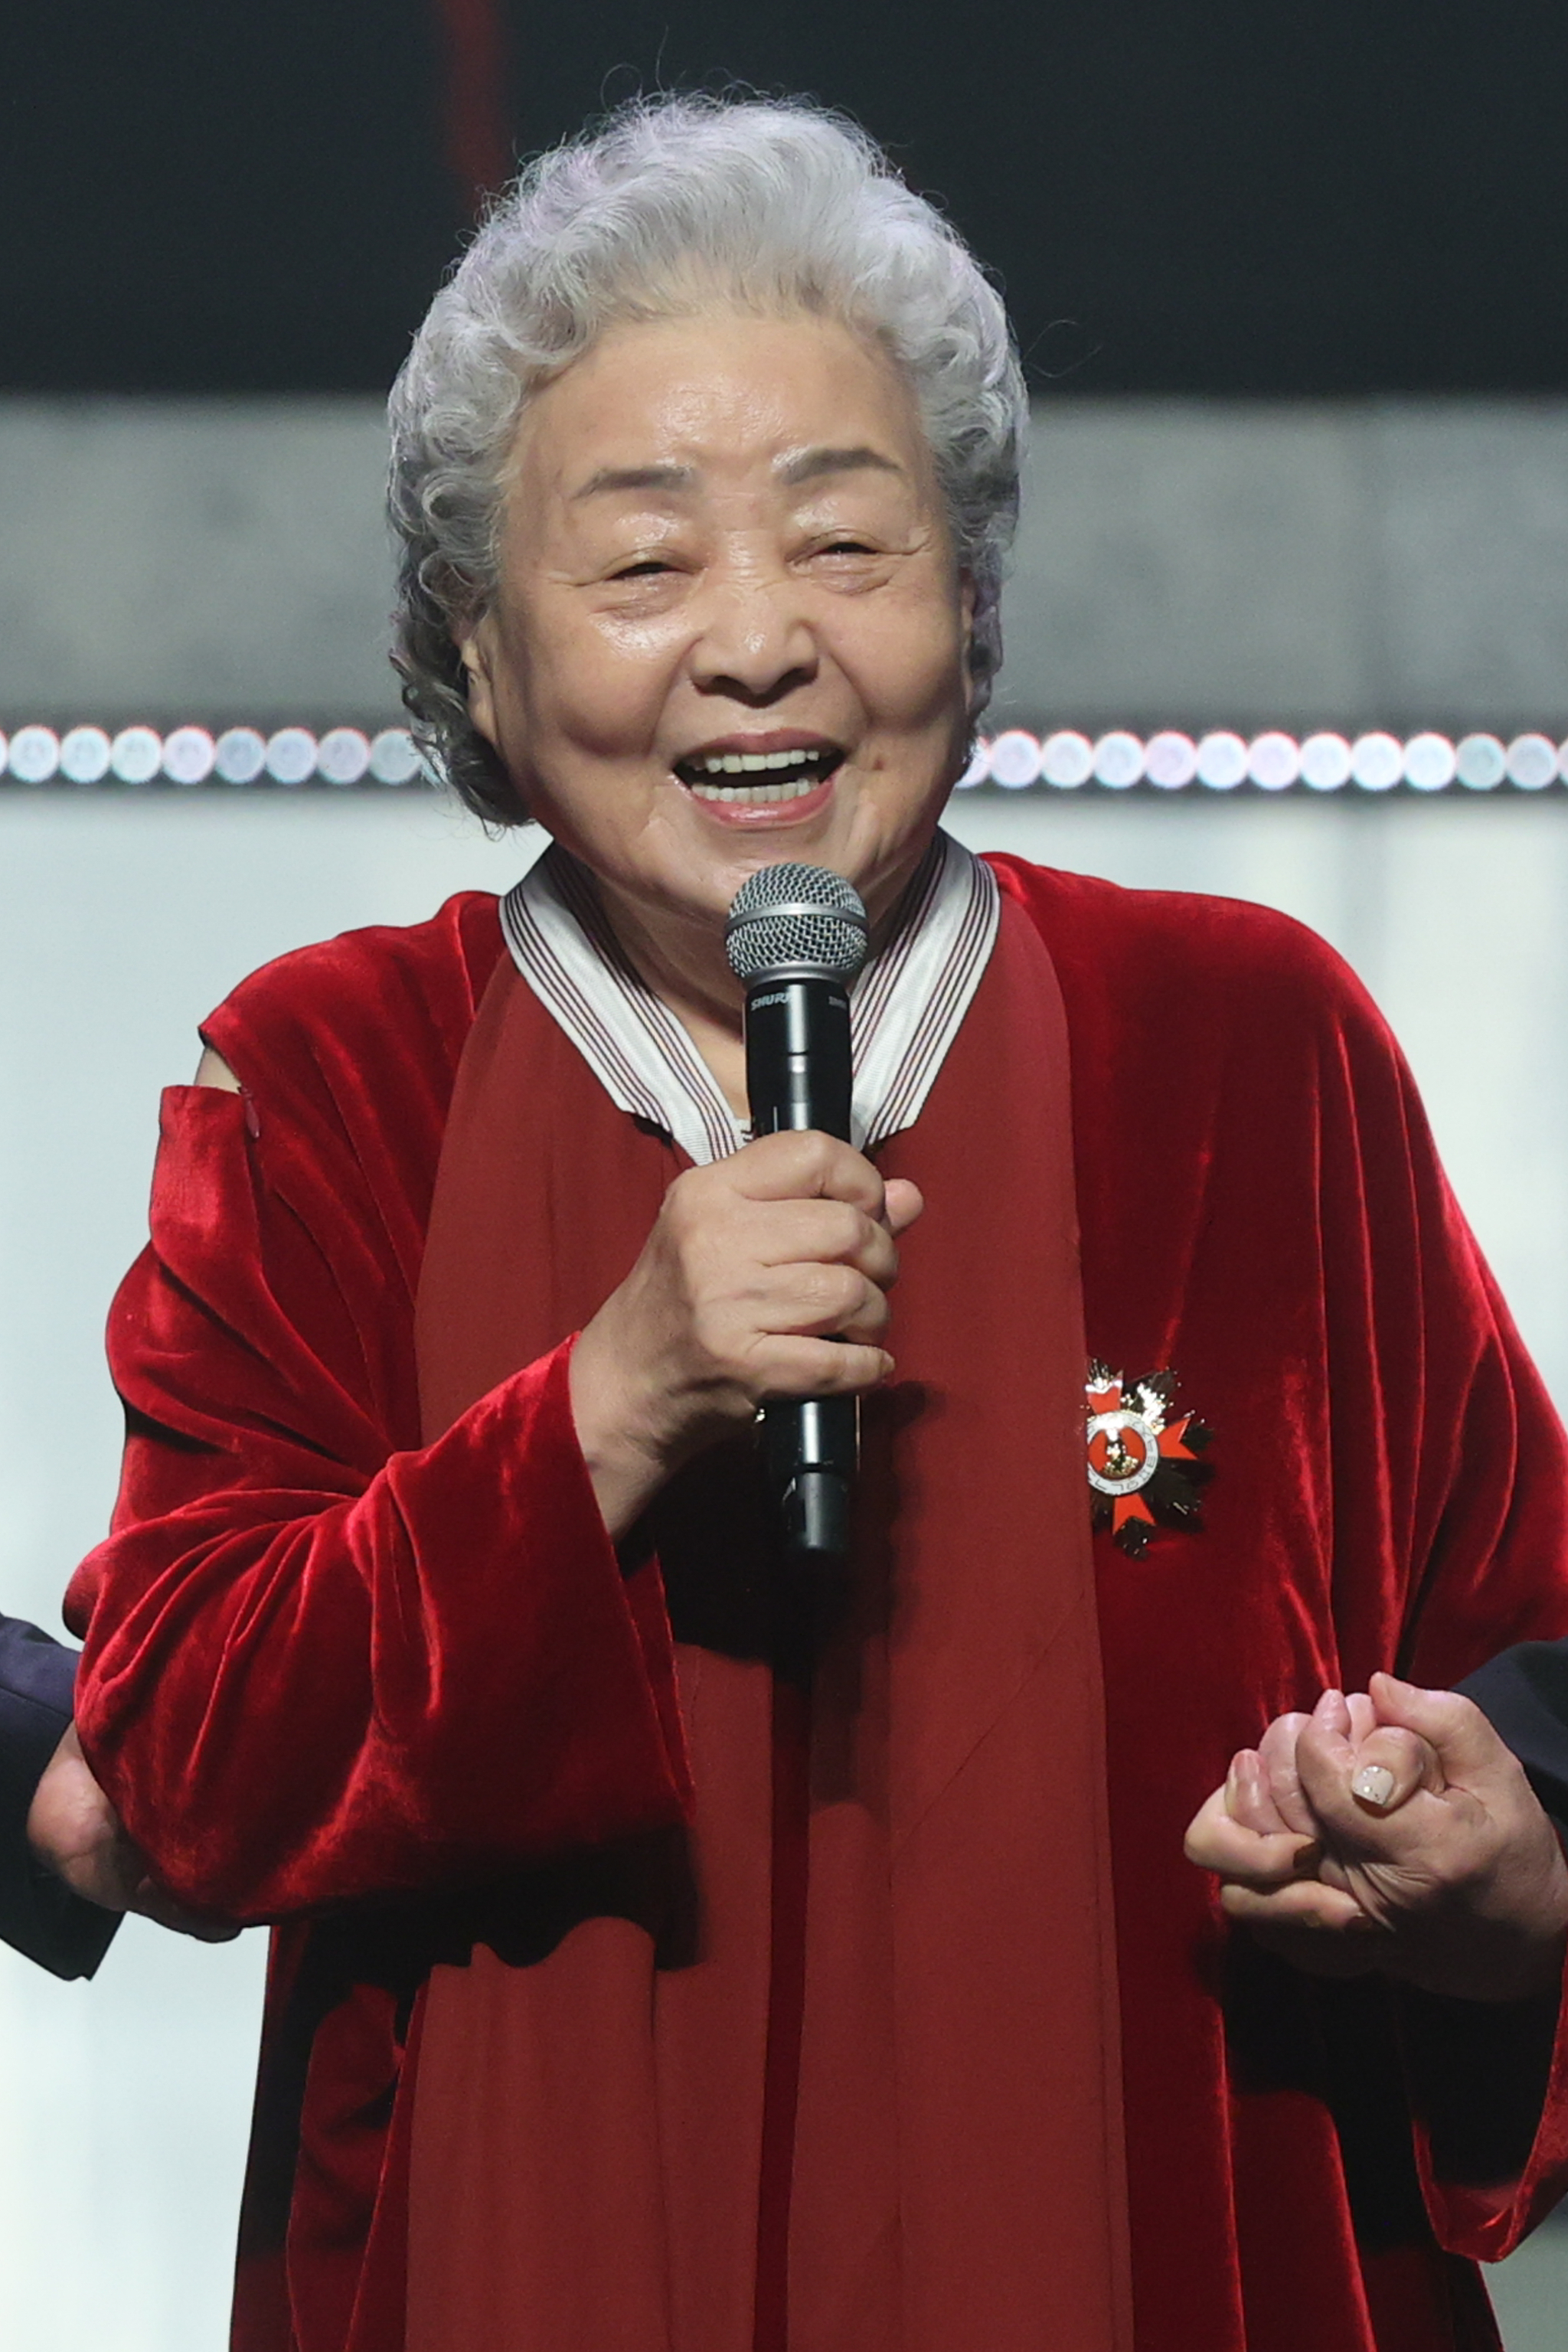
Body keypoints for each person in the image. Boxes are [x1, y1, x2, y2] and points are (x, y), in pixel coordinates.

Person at [61, 93, 1568, 2352]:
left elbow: (1526, 1663)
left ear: (970, 598)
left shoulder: (1253, 1046)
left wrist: (1504, 1864)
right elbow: (173, 1771)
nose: (758, 645)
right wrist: (607, 1402)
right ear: (477, 657)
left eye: (846, 546)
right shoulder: (324, 1079)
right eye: (645, 565)